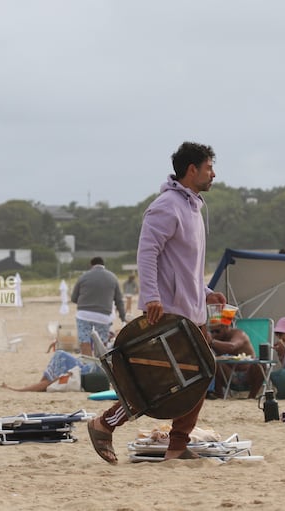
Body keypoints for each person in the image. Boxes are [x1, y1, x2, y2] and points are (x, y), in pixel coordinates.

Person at [87, 141, 226, 463]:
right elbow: (147, 254)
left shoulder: (193, 207)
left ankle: (177, 446)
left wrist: (206, 292)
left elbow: (184, 265)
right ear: (192, 170)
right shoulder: (166, 206)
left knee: (199, 375)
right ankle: (104, 424)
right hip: (170, 312)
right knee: (161, 383)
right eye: (208, 168)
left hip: (193, 311)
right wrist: (151, 297)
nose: (213, 174)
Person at [71, 256, 126, 356]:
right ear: (103, 265)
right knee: (101, 342)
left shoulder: (83, 277)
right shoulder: (112, 277)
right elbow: (119, 300)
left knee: (84, 340)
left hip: (84, 314)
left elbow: (74, 298)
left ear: (91, 265)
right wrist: (123, 317)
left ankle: (88, 364)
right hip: (103, 315)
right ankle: (100, 364)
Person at [0, 349, 103, 392]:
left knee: (59, 355)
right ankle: (40, 385)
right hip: (93, 366)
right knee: (59, 356)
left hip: (92, 369)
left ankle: (24, 390)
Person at [208, 321, 264, 399]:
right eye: (212, 332)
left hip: (247, 375)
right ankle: (219, 395)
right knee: (213, 362)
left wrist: (212, 342)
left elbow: (232, 346)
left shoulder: (239, 334)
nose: (214, 334)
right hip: (230, 375)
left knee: (260, 364)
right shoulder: (217, 339)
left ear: (226, 327)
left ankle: (252, 396)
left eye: (217, 331)